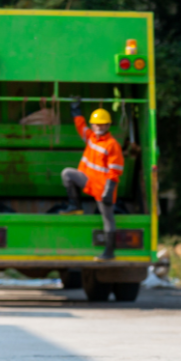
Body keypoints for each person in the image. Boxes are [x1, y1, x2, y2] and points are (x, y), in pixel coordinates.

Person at [60, 98, 125, 261]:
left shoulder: (112, 145)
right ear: (93, 125)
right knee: (67, 174)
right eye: (96, 124)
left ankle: (109, 253)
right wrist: (76, 110)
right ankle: (75, 206)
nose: (99, 127)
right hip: (88, 180)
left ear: (108, 125)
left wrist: (109, 191)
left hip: (103, 188)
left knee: (108, 218)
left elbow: (115, 170)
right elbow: (81, 127)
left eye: (102, 124)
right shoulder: (91, 137)